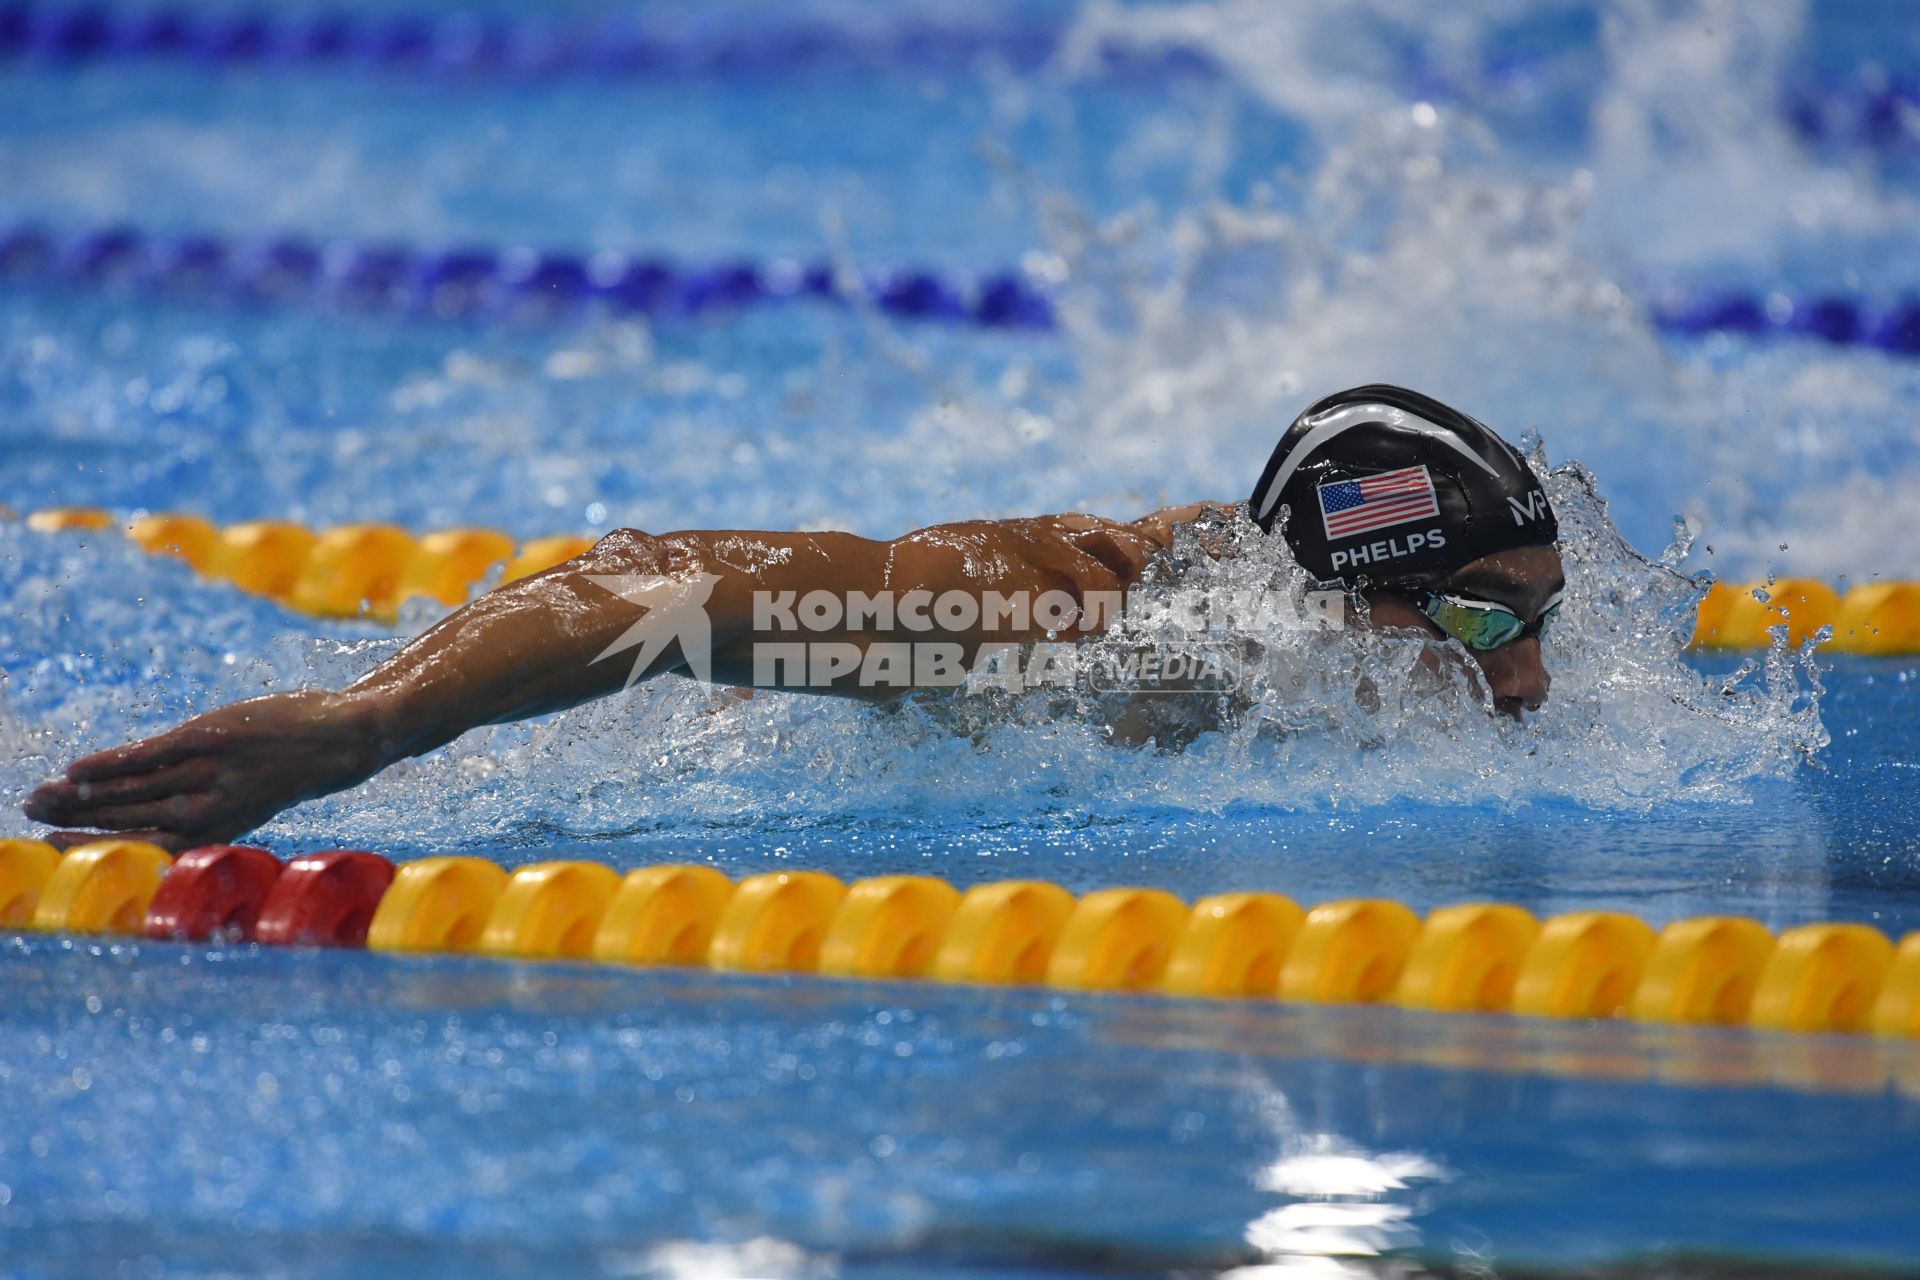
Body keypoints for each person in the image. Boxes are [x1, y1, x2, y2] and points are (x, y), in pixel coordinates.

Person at [25, 384, 1564, 850]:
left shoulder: (1313, 631)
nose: (1536, 690)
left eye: (1546, 626)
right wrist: (370, 726)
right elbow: (654, 592)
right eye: (1495, 635)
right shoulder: (1077, 642)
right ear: (1348, 606)